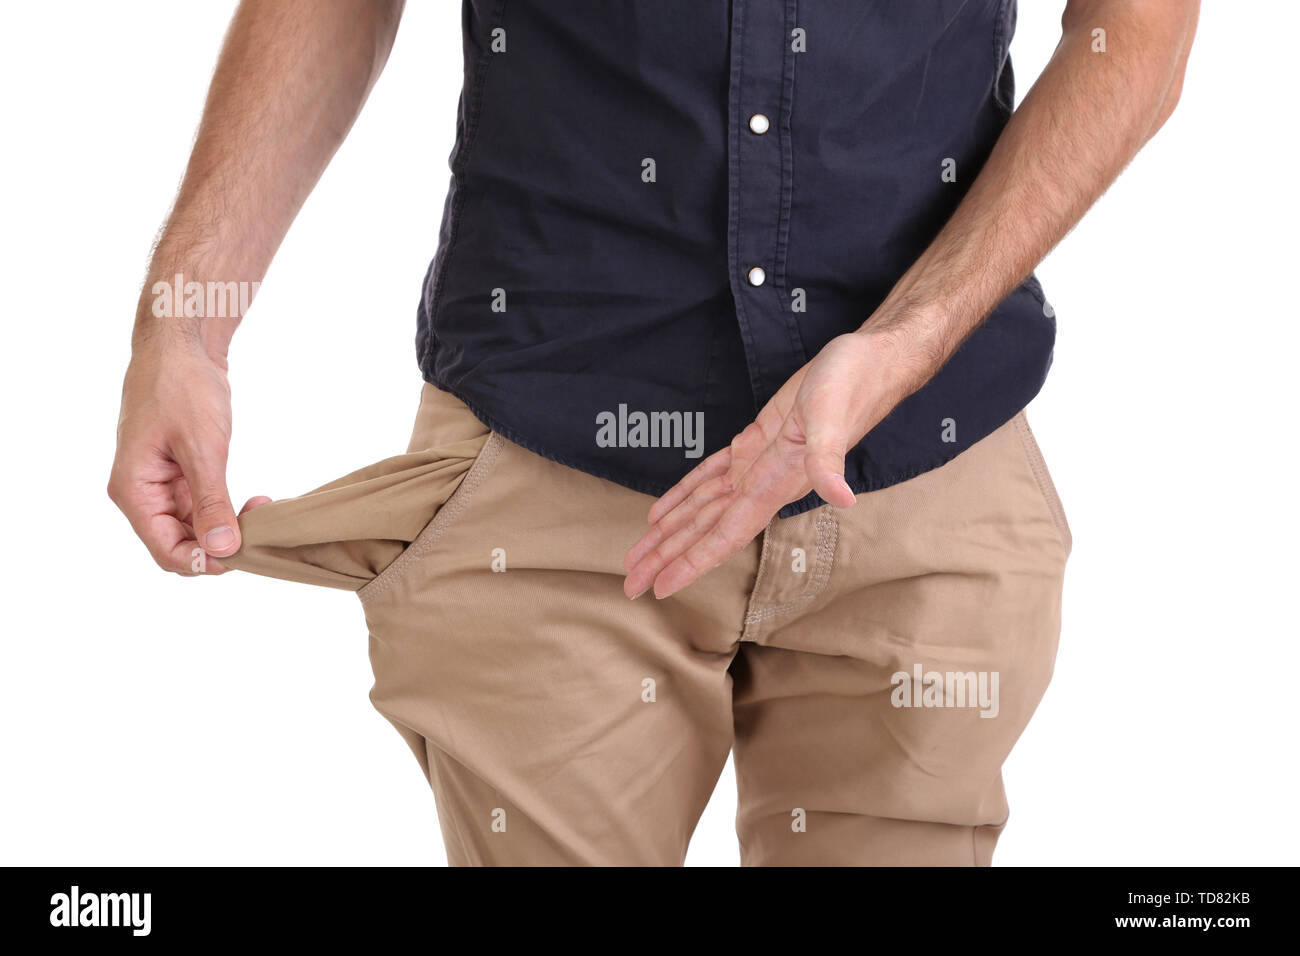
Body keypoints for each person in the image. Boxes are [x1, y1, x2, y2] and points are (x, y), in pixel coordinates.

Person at [109, 0, 1198, 866]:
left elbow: (1138, 27)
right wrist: (186, 325)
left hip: (927, 471)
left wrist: (909, 341)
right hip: (550, 461)